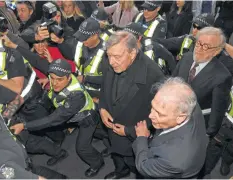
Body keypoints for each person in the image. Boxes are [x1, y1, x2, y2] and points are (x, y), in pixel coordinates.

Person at [0, 64, 66, 180]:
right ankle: (59, 154)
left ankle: (60, 163)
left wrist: (3, 120)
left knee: (27, 166)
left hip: (9, 129)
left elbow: (17, 99)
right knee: (32, 148)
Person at [10, 59, 105, 178]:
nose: (54, 83)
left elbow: (53, 119)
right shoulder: (61, 77)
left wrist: (24, 126)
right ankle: (109, 142)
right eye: (52, 78)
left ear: (69, 77)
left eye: (59, 79)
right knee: (99, 133)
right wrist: (47, 79)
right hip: (75, 118)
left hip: (86, 119)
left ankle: (98, 163)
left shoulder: (76, 96)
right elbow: (37, 61)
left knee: (82, 148)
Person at [99, 31, 164, 179]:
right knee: (117, 154)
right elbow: (104, 87)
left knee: (138, 165)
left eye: (117, 57)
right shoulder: (112, 60)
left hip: (133, 136)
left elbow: (161, 115)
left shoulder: (154, 76)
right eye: (109, 55)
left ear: (133, 53)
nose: (111, 62)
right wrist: (102, 107)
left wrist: (129, 131)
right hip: (112, 129)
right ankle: (121, 171)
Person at [172, 27, 232, 177]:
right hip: (173, 118)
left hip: (196, 125)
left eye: (206, 46)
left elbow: (217, 112)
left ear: (217, 51)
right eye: (198, 43)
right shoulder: (186, 58)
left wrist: (207, 135)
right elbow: (172, 82)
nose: (199, 49)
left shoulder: (222, 76)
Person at [133, 77, 208, 178]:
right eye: (153, 107)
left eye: (160, 114)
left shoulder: (174, 161)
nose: (150, 115)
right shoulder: (188, 103)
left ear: (180, 118)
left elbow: (143, 166)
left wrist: (141, 138)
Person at [51, 18, 109, 100]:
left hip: (96, 96)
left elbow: (109, 79)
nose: (82, 40)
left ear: (95, 35)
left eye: (85, 38)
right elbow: (69, 55)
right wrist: (60, 42)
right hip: (78, 90)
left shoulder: (108, 53)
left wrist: (86, 78)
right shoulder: (79, 43)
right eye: (80, 36)